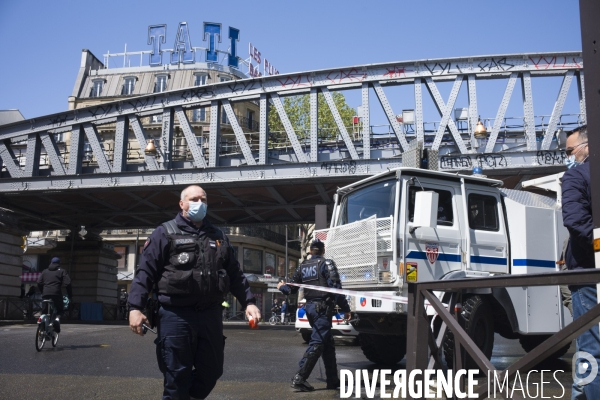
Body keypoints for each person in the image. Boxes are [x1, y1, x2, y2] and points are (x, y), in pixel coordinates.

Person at [127, 184, 261, 400]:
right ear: (182, 204)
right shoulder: (165, 233)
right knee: (176, 377)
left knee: (212, 371)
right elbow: (145, 273)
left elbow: (234, 274)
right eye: (194, 199)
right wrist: (135, 307)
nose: (200, 203)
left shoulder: (218, 236)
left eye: (204, 200)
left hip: (210, 314)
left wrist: (249, 302)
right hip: (175, 315)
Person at [277, 238, 351, 392]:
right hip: (322, 309)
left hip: (311, 308)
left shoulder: (303, 266)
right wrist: (346, 308)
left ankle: (333, 380)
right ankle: (300, 378)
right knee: (318, 343)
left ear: (310, 251)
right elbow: (336, 289)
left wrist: (281, 287)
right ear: (323, 251)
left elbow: (291, 289)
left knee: (327, 344)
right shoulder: (326, 263)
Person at [561, 125, 599, 398]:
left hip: (587, 272)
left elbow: (575, 221)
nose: (569, 156)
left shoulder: (575, 176)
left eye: (570, 151)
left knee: (590, 348)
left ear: (586, 147)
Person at [37, 257, 73, 333]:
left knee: (44, 311)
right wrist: (70, 295)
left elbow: (39, 282)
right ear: (59, 263)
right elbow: (68, 283)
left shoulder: (45, 271)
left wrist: (42, 292)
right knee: (60, 310)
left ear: (51, 262)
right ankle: (56, 320)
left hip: (45, 293)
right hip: (56, 293)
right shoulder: (62, 271)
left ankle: (42, 328)